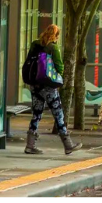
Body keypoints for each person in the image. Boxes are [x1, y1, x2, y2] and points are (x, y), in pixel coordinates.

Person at [24, 24, 81, 155]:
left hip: (35, 85)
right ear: (56, 35)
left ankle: (30, 145)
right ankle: (68, 144)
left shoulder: (35, 44)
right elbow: (60, 67)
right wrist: (58, 77)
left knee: (36, 114)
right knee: (58, 114)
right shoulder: (53, 48)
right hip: (48, 86)